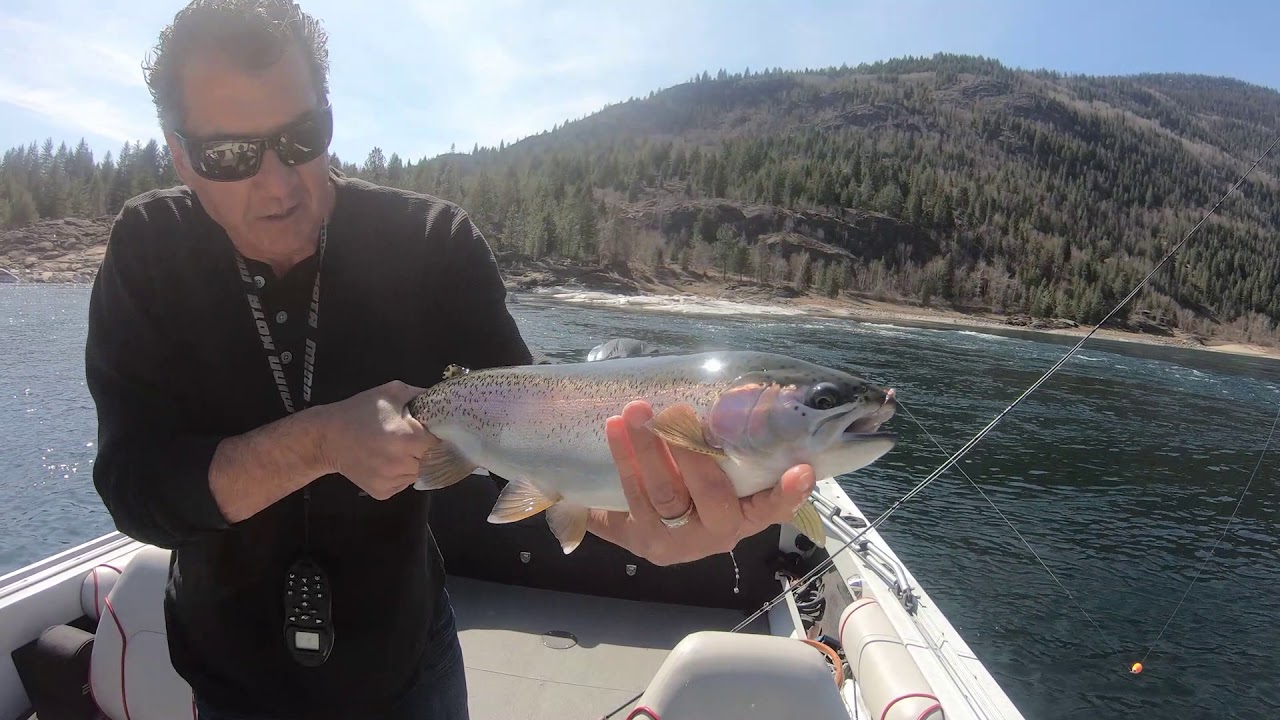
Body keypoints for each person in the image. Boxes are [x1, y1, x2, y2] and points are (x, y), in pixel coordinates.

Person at [84, 1, 818, 718]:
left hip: (410, 667)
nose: (277, 182)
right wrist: (319, 442)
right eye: (230, 156)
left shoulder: (432, 244)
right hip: (227, 678)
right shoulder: (149, 250)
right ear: (180, 156)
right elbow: (135, 487)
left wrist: (648, 520)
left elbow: (537, 431)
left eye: (302, 136)